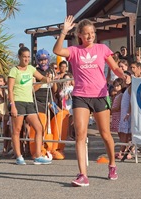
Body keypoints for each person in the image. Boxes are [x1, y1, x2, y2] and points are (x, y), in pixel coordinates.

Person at [53, 15, 126, 187]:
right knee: (80, 134)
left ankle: (112, 165)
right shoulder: (74, 51)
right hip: (80, 96)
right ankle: (83, 175)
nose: (90, 36)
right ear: (79, 35)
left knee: (105, 134)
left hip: (100, 96)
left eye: (92, 33)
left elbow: (114, 67)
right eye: (86, 34)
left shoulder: (101, 49)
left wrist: (124, 75)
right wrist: (63, 32)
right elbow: (57, 51)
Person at [8, 46, 52, 165]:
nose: (26, 59)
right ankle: (18, 156)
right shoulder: (14, 70)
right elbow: (10, 89)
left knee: (39, 127)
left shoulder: (31, 69)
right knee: (17, 130)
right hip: (18, 101)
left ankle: (37, 155)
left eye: (28, 57)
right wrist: (12, 105)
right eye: (24, 57)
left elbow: (41, 77)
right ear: (19, 57)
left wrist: (46, 79)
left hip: (29, 102)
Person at [31, 48, 65, 160]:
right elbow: (32, 89)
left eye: (45, 59)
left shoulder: (51, 70)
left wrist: (53, 81)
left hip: (50, 102)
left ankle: (56, 148)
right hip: (38, 101)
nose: (43, 62)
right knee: (42, 121)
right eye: (41, 60)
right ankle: (39, 149)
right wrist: (42, 81)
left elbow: (54, 90)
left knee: (61, 115)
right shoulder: (34, 71)